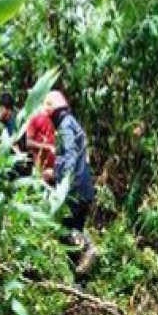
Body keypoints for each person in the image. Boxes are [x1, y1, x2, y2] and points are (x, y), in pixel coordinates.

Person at [45, 89, 97, 273]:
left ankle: (87, 247)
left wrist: (62, 181)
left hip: (75, 189)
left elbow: (70, 156)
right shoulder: (72, 123)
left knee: (63, 228)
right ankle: (78, 281)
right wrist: (55, 172)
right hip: (84, 187)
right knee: (74, 227)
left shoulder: (66, 126)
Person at [23, 108, 57, 184]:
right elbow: (28, 143)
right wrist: (47, 147)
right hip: (40, 169)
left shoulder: (54, 120)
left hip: (53, 169)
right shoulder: (35, 118)